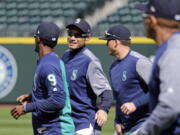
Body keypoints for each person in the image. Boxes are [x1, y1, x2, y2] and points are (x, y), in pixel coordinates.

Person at [10, 22, 75, 135]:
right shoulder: (50, 60)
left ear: (39, 39)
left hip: (56, 129)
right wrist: (32, 97)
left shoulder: (48, 65)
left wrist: (27, 107)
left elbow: (57, 100)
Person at [133, 0, 180, 134]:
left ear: (153, 20)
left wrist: (143, 132)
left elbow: (170, 106)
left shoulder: (173, 51)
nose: (144, 21)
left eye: (145, 16)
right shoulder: (172, 46)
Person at [61, 18, 113, 135]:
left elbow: (106, 92)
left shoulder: (90, 61)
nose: (72, 38)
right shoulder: (65, 56)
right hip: (67, 122)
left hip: (84, 124)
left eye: (78, 35)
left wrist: (103, 109)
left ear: (87, 37)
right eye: (70, 34)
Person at [99, 25, 152, 135]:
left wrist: (135, 104)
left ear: (115, 42)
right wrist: (117, 121)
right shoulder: (113, 67)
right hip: (124, 127)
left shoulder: (139, 62)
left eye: (108, 41)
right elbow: (119, 98)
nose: (106, 44)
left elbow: (159, 90)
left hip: (144, 123)